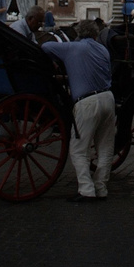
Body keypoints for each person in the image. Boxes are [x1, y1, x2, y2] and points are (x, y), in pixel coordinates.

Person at [42, 17, 116, 201]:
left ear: (78, 33)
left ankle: (86, 190)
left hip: (87, 102)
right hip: (108, 97)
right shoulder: (103, 49)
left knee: (78, 149)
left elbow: (45, 48)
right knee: (105, 148)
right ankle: (101, 187)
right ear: (95, 33)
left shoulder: (73, 48)